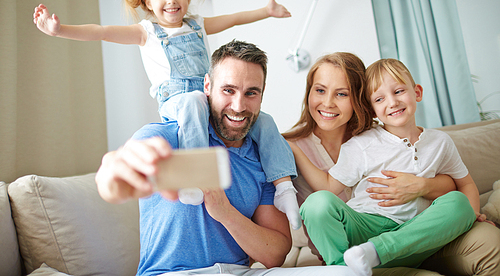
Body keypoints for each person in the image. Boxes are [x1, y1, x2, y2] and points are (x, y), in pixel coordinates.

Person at [33, 0, 300, 229]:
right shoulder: (145, 33)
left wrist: (266, 11)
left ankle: (285, 188)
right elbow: (100, 32)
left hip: (208, 100)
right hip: (178, 101)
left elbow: (234, 19)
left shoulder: (197, 25)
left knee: (263, 119)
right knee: (193, 101)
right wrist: (60, 30)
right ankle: (192, 177)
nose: (171, 1)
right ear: (147, 0)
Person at [95, 40, 357, 276]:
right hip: (172, 273)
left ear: (262, 95)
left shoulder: (263, 157)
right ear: (207, 86)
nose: (239, 105)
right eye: (228, 90)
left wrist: (225, 213)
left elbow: (276, 253)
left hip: (241, 272)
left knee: (347, 274)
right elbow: (113, 180)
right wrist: (113, 168)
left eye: (251, 93)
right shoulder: (165, 138)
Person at [284, 53, 500, 276]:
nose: (392, 102)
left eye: (398, 92)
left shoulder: (440, 142)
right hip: (366, 228)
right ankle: (344, 269)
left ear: (416, 92)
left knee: (459, 203)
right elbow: (328, 189)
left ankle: (375, 252)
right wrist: (295, 150)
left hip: (418, 234)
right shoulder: (362, 144)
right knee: (316, 202)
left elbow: (464, 185)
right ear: (371, 107)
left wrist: (468, 214)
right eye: (380, 99)